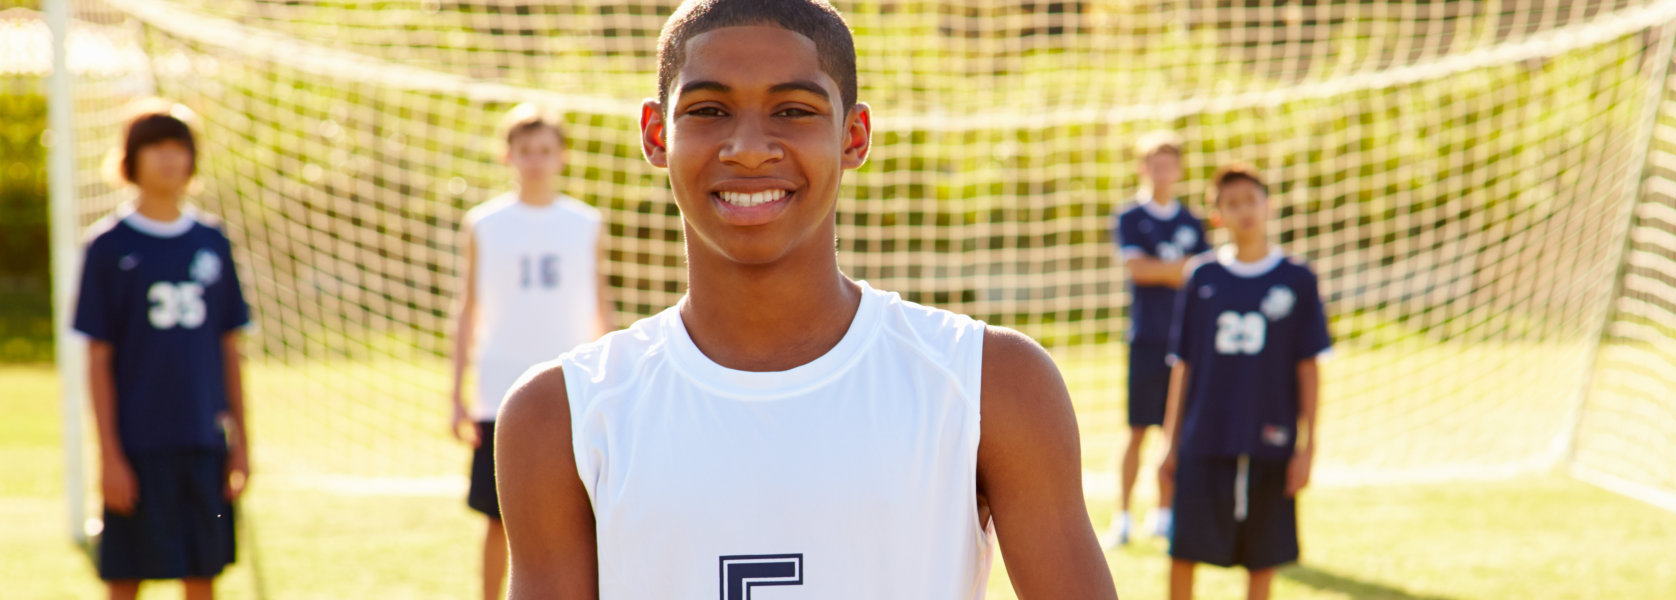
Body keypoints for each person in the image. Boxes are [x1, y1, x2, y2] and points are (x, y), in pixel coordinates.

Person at [490, 0, 1118, 597]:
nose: (750, 148)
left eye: (793, 111)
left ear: (854, 136)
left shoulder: (990, 381)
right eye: (709, 110)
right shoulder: (561, 413)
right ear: (657, 134)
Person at [74, 103, 252, 600]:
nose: (169, 160)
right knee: (126, 575)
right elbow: (98, 357)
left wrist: (242, 442)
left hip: (203, 439)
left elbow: (229, 347)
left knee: (202, 570)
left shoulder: (212, 241)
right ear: (130, 159)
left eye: (179, 148)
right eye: (156, 148)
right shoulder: (107, 247)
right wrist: (109, 455)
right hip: (137, 443)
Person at [447, 103, 615, 600]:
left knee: (583, 516)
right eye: (526, 151)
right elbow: (468, 308)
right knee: (498, 516)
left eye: (545, 150)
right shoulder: (483, 223)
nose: (536, 160)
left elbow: (600, 304)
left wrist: (614, 381)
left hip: (573, 388)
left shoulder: (586, 222)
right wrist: (456, 392)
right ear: (508, 156)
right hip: (500, 390)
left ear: (562, 156)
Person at [1159, 165, 1329, 600]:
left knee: (1263, 554)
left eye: (1251, 199)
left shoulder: (1297, 278)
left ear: (1268, 205)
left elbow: (1308, 367)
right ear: (1217, 216)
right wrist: (1169, 443)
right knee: (1184, 548)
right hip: (1204, 436)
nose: (1244, 210)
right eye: (1232, 203)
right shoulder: (1201, 276)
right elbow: (1184, 364)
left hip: (1270, 436)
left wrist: (1308, 445)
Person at [1108, 131, 1211, 545]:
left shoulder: (1192, 221)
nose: (1163, 171)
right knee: (1137, 429)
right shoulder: (1130, 216)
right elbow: (1140, 270)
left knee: (1178, 430)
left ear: (1179, 170)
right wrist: (1180, 269)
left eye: (1170, 163)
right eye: (1155, 163)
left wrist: (1169, 268)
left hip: (1186, 341)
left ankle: (1165, 512)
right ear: (1143, 167)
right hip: (1146, 338)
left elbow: (1202, 275)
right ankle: (1122, 517)